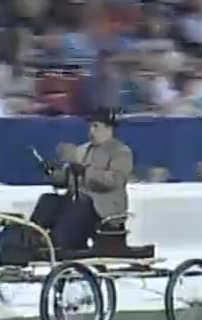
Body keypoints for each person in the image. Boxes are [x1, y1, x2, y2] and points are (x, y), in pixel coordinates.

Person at [31, 106, 134, 250]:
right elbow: (68, 180)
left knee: (81, 204)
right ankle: (32, 237)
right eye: (90, 127)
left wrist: (85, 171)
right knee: (48, 200)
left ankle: (58, 242)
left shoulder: (121, 152)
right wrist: (53, 172)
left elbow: (113, 181)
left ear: (108, 129)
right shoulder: (82, 150)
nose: (91, 131)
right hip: (78, 202)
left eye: (96, 127)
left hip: (103, 206)